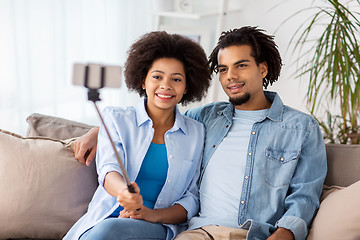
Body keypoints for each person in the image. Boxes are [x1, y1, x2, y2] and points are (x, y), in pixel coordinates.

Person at [74, 26, 327, 240]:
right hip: (197, 232)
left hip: (250, 233)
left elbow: (305, 195)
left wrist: (284, 234)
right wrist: (99, 130)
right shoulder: (208, 118)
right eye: (224, 69)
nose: (231, 77)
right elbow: (158, 117)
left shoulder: (301, 128)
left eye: (241, 65)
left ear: (262, 69)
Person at [63, 31, 211, 240]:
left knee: (111, 231)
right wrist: (124, 193)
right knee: (107, 229)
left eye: (176, 79)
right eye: (157, 76)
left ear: (187, 86)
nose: (166, 85)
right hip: (105, 218)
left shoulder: (196, 133)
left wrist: (152, 215)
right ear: (143, 81)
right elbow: (108, 169)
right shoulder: (115, 119)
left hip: (154, 226)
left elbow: (191, 198)